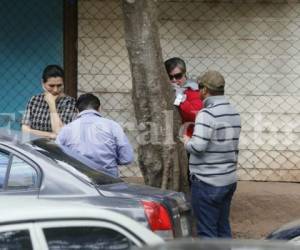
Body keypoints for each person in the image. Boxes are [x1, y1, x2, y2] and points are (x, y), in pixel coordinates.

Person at [183, 70, 241, 238]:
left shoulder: (206, 114)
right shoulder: (234, 112)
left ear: (204, 90)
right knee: (223, 228)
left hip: (207, 182)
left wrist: (186, 140)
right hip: (228, 180)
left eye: (199, 88)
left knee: (206, 232)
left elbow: (198, 147)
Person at [56, 93, 134, 177]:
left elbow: (57, 156)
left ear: (77, 110)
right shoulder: (113, 126)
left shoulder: (66, 129)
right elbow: (127, 158)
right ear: (99, 108)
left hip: (78, 180)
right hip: (108, 180)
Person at [22, 65, 76, 139]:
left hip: (57, 149)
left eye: (59, 85)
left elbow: (60, 133)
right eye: (51, 85)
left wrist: (52, 106)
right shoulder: (34, 100)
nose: (55, 90)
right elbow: (24, 130)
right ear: (43, 83)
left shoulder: (70, 103)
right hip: (33, 147)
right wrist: (50, 135)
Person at [164, 57, 203, 137]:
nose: (174, 80)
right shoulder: (167, 90)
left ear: (184, 73)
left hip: (190, 137)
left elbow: (194, 115)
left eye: (178, 76)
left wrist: (180, 97)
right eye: (170, 77)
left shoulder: (193, 90)